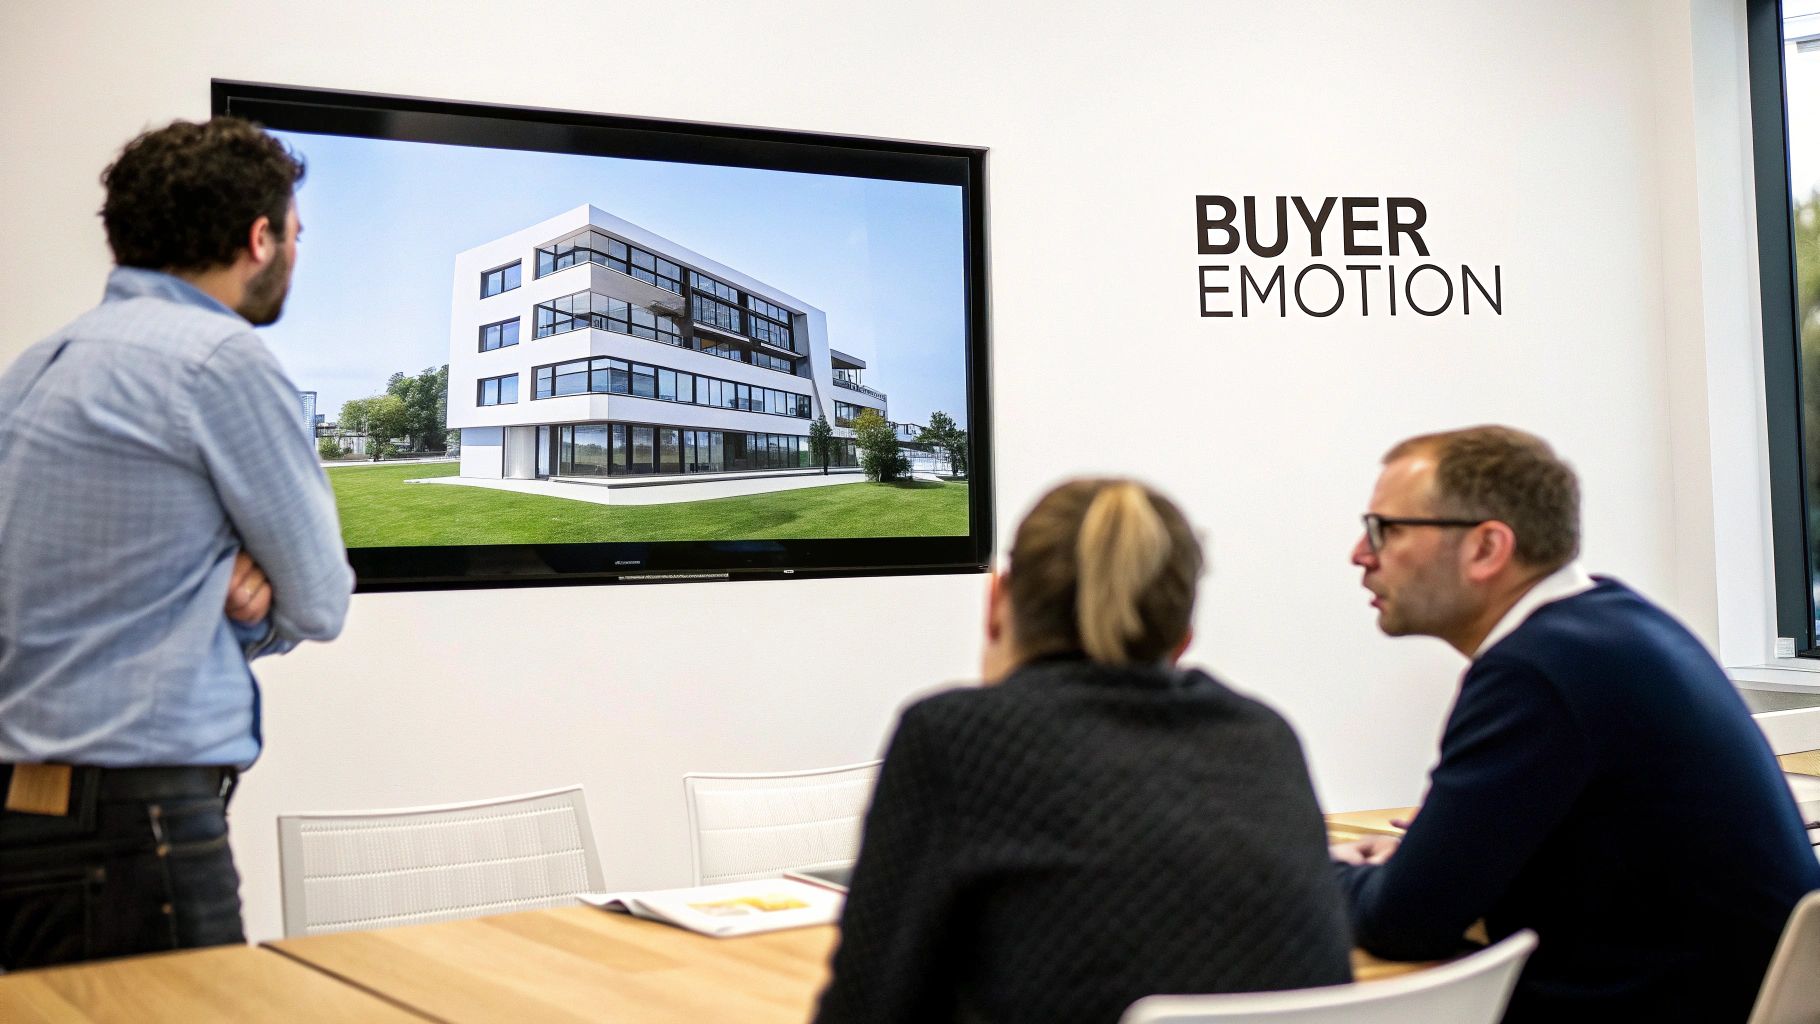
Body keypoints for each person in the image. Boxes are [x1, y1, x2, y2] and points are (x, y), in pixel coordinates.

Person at [0, 118, 353, 969]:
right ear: (259, 238)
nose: (297, 253)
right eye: (296, 234)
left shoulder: (35, 366)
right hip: (138, 824)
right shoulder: (218, 358)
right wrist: (233, 613)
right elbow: (321, 598)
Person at [814, 479, 1352, 1024]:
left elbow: (866, 1007)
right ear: (1183, 635)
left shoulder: (953, 737)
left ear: (996, 601)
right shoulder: (1265, 736)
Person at [1333, 425, 1820, 1022]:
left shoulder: (1536, 672)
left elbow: (1402, 924)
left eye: (1387, 529)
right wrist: (1425, 859)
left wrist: (1312, 866)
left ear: (1487, 548)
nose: (1361, 553)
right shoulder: (1618, 624)